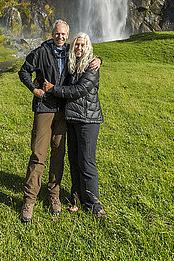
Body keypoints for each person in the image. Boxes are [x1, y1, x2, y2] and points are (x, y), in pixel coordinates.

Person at [18, 20, 100, 223]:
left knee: (58, 154)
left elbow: (87, 54)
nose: (60, 37)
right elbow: (23, 71)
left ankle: (54, 195)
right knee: (38, 154)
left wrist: (99, 59)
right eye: (57, 34)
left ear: (68, 36)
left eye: (64, 34)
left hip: (63, 110)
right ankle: (29, 200)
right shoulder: (42, 51)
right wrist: (34, 88)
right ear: (52, 33)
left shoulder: (73, 51)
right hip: (45, 108)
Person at [43, 32, 105, 219]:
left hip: (88, 120)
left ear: (88, 48)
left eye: (83, 45)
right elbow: (54, 43)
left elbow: (79, 90)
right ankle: (76, 197)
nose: (79, 48)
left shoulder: (92, 67)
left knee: (87, 162)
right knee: (74, 160)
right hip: (73, 119)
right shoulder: (72, 65)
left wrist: (54, 89)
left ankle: (94, 204)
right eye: (76, 45)